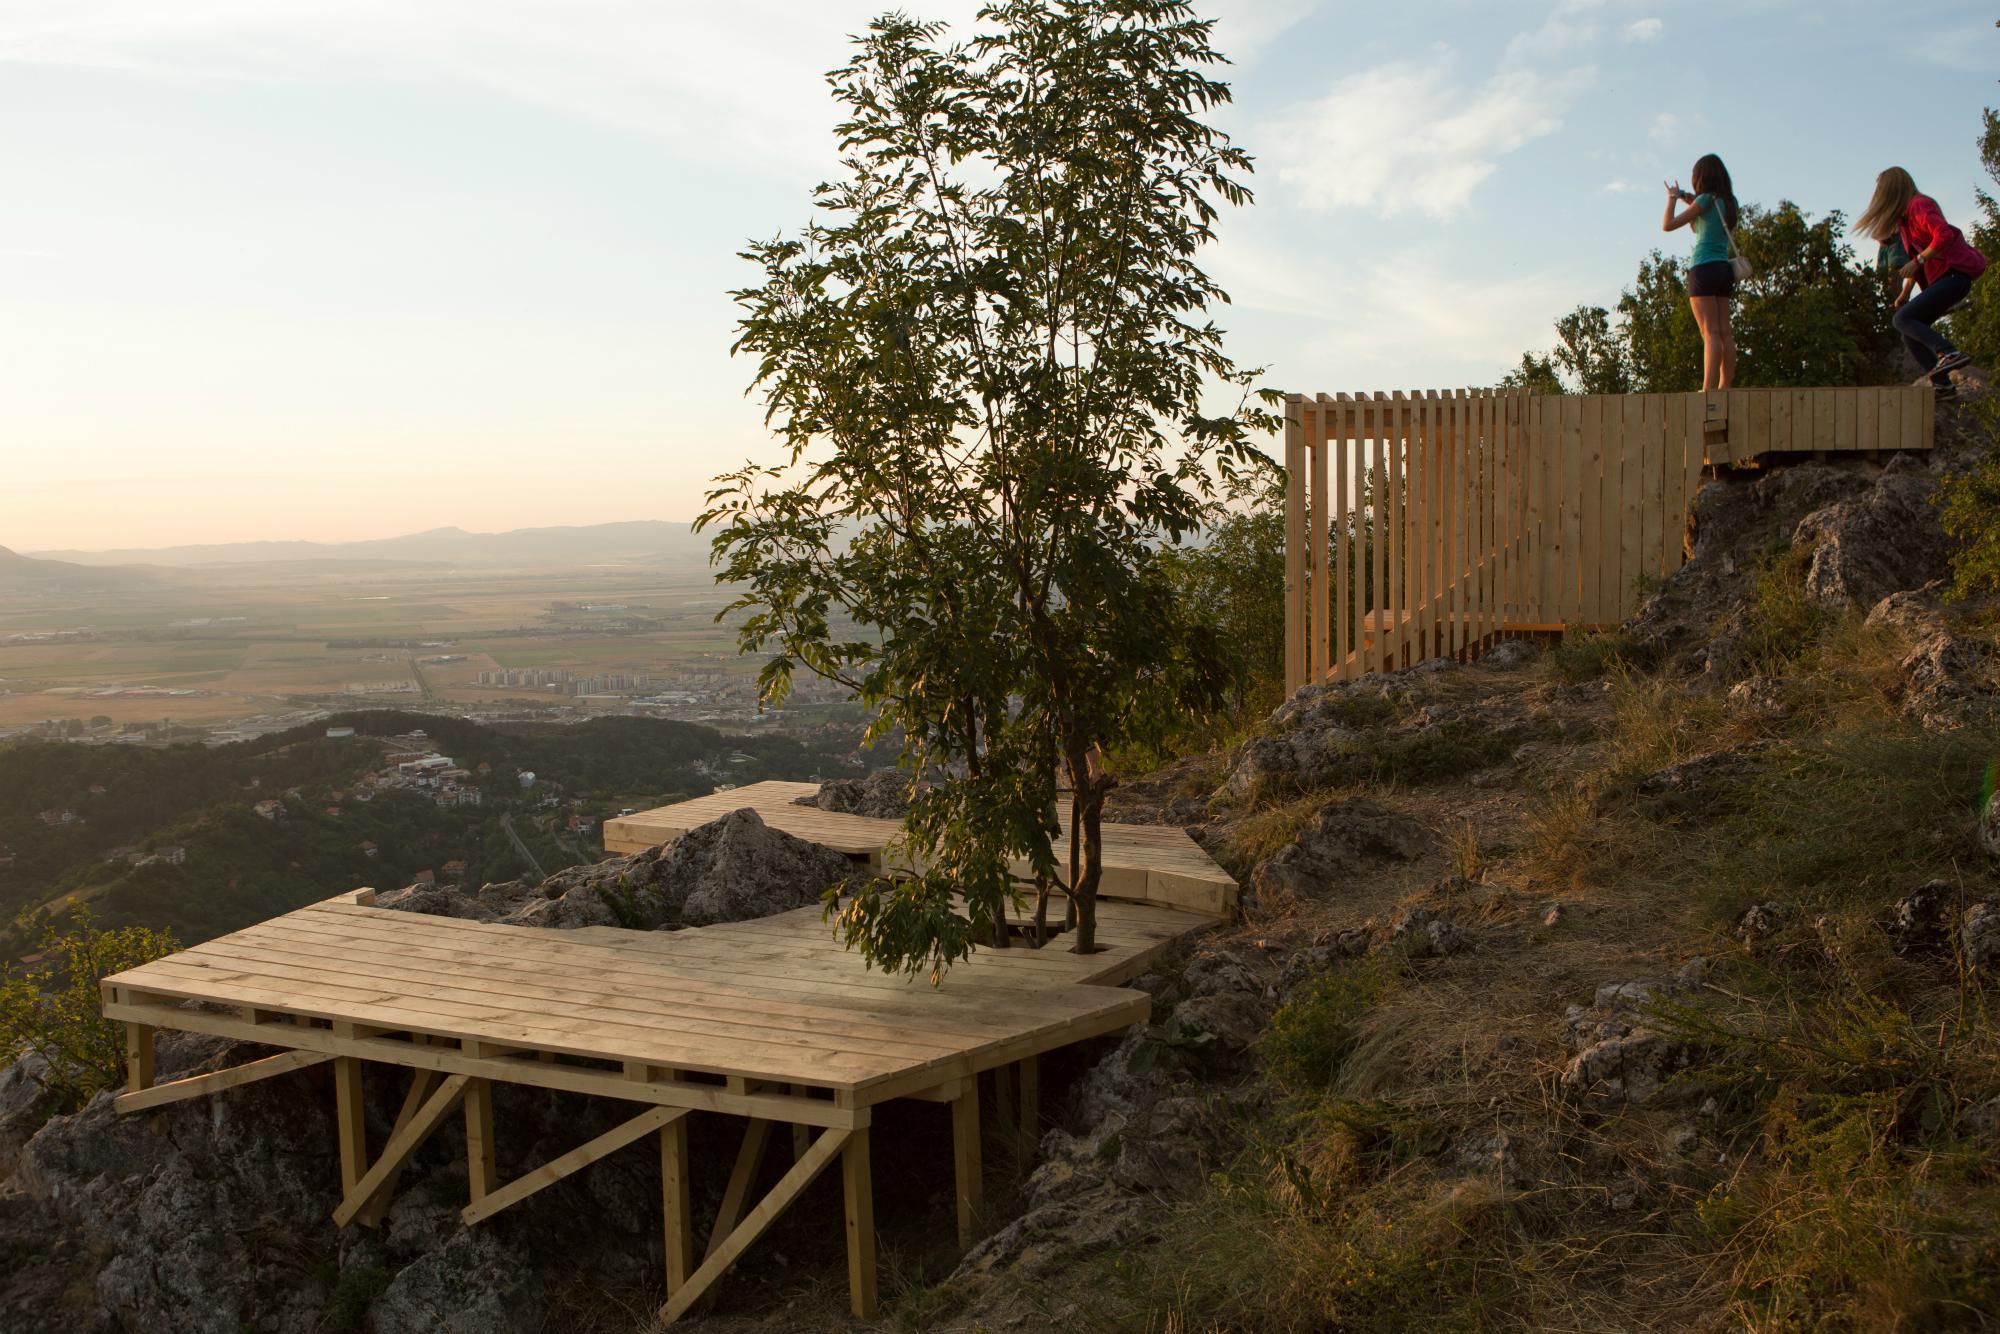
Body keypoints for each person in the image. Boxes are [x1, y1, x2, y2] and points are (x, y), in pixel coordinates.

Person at [1855, 166, 1988, 397]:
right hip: (1944, 280)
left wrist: (1917, 261)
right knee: (1909, 330)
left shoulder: (1919, 205)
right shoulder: (1905, 220)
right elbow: (1918, 260)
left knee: (1902, 319)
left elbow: (1943, 234)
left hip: (1954, 277)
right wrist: (1905, 293)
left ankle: (1949, 352)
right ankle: (1943, 385)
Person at [1662, 154, 1741, 391]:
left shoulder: (1705, 199)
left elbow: (1668, 225)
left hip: (1703, 267)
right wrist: (1688, 198)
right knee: (1724, 330)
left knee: (1709, 332)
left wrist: (1672, 199)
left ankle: (1707, 389)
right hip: (1724, 269)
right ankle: (1724, 386)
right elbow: (1706, 211)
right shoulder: (1730, 202)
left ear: (1701, 178)